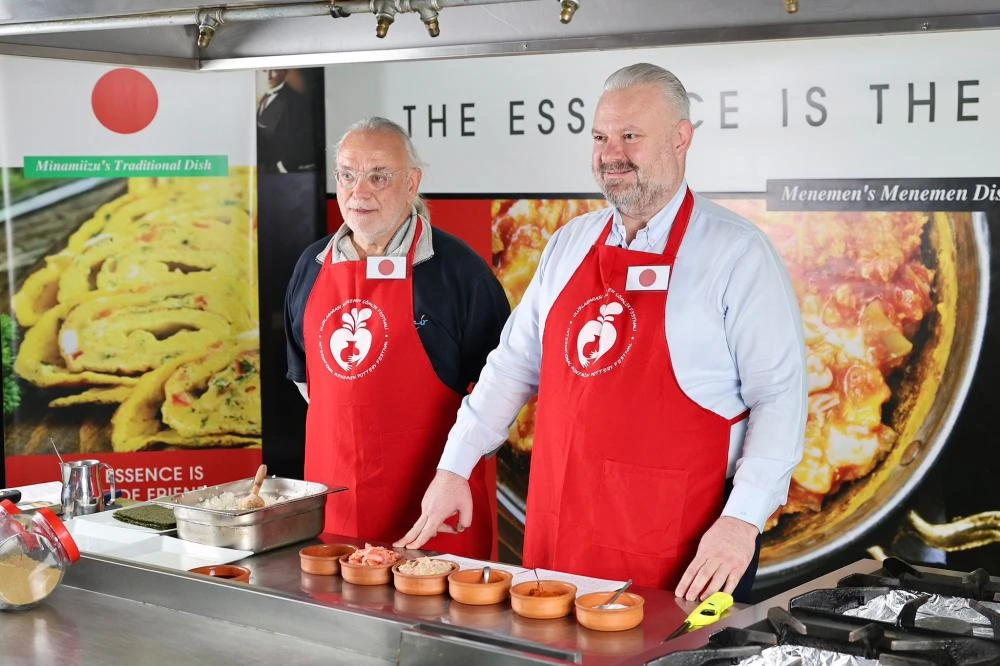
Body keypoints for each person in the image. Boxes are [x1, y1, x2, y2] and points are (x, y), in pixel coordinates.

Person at [396, 63, 806, 601]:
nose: (611, 154)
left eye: (630, 136)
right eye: (600, 136)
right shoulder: (569, 243)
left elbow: (779, 396)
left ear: (681, 139)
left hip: (685, 547)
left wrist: (743, 521)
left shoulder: (737, 252)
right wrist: (455, 465)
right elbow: (513, 364)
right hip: (562, 531)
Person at [285, 117, 510, 558]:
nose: (359, 191)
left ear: (412, 183)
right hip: (338, 514)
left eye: (379, 176)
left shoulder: (461, 272)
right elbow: (307, 384)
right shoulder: (310, 266)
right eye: (347, 175)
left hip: (435, 514)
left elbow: (501, 395)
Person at [257, 69, 317, 173]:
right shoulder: (264, 97)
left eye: (274, 71)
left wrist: (283, 166)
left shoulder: (296, 101)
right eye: (264, 71)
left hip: (280, 171)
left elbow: (300, 139)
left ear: (284, 73)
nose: (269, 76)